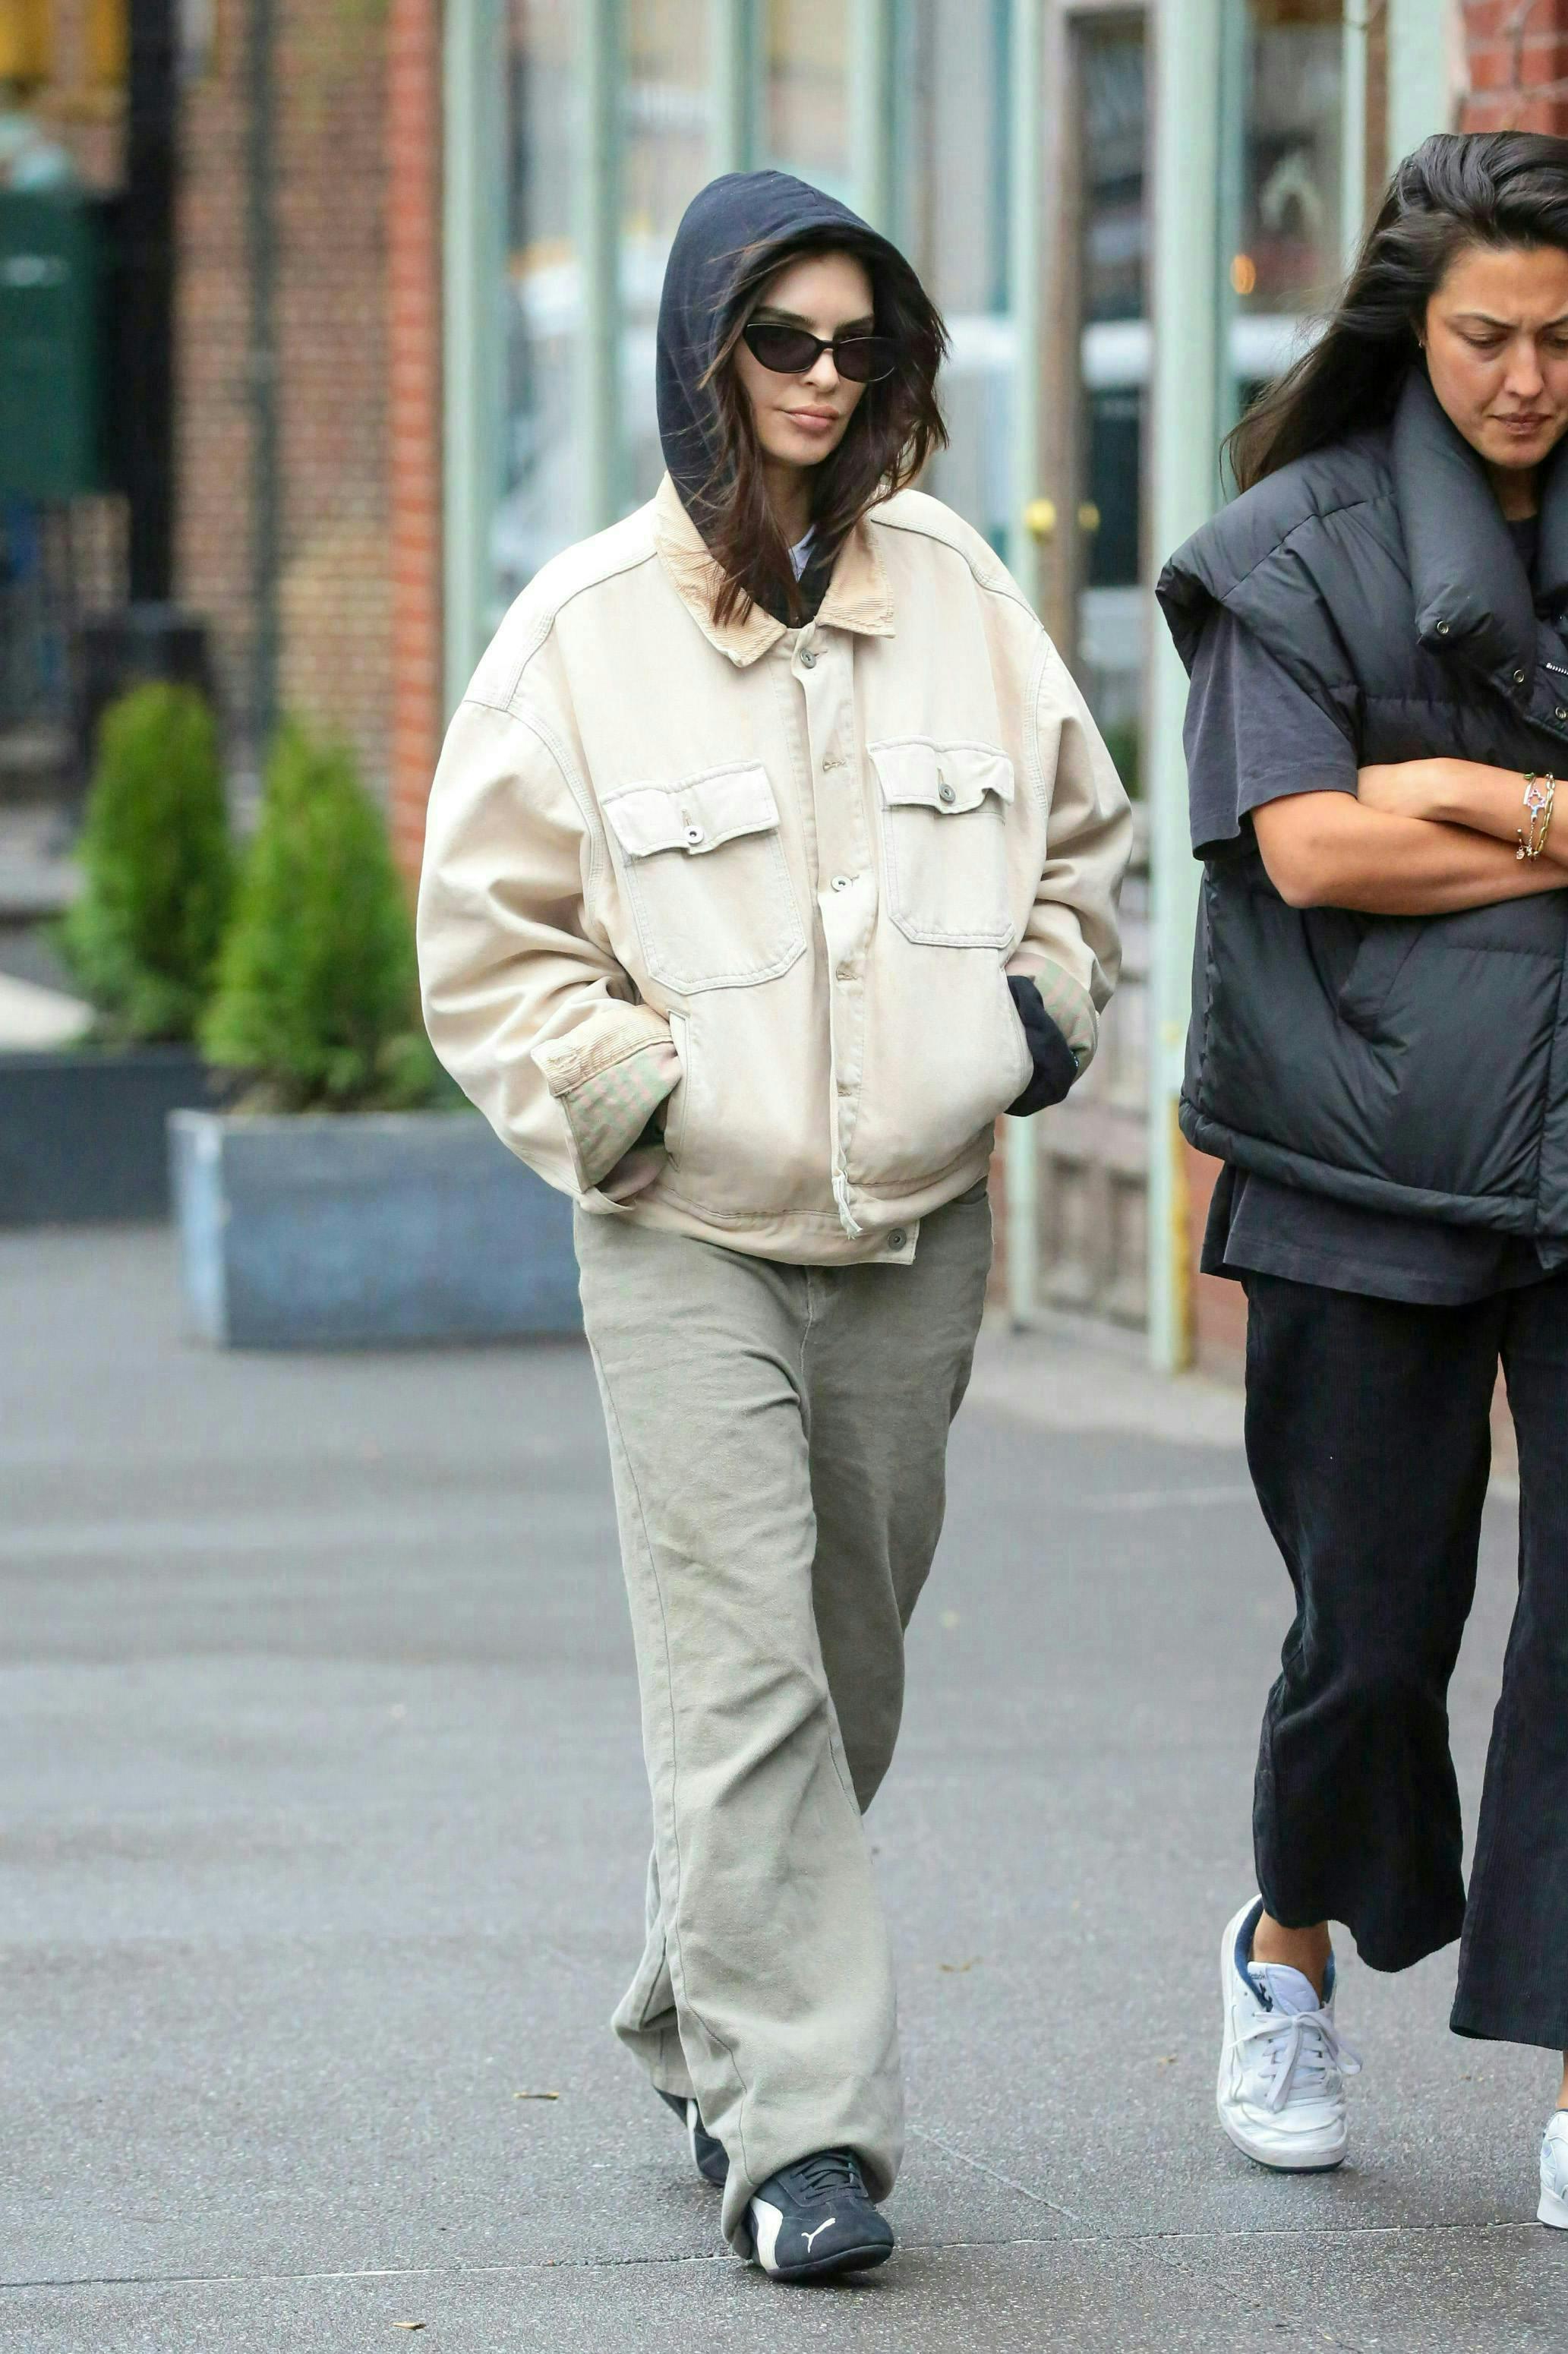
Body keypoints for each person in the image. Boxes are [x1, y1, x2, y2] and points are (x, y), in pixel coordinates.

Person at [417, 171, 1130, 2280]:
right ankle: (805, 2137)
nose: (821, 384)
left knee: (846, 1660)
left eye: (853, 346)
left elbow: (1076, 854)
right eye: (779, 343)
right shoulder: (582, 634)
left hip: (916, 1222)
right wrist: (624, 1101)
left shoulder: (961, 599)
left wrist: (1036, 1015)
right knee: (738, 1679)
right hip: (685, 1232)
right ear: (702, 361)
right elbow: (489, 941)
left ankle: (690, 2000)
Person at [1158, 131, 1568, 2224]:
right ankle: (1285, 1951)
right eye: (1488, 334)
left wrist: (1459, 796)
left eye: (1564, 339)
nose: (1524, 376)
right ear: (1414, 320)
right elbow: (1304, 845)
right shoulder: (1288, 546)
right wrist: (1554, 816)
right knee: (1369, 1621)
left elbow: (1381, 821)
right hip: (1356, 1160)